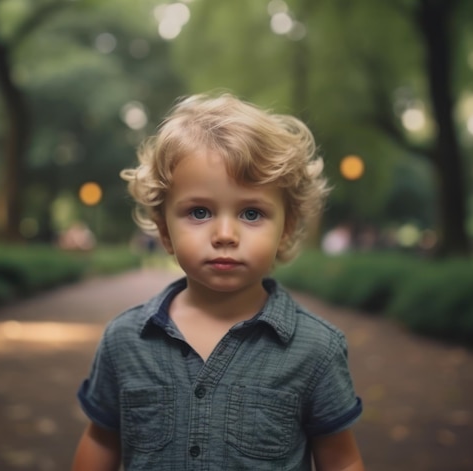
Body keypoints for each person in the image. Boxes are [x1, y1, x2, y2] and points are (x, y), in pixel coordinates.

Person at [71, 92, 365, 470]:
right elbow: (101, 441)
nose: (225, 234)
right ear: (164, 230)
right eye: (199, 211)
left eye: (252, 213)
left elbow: (340, 460)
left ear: (286, 228)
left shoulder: (316, 350)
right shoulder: (125, 340)